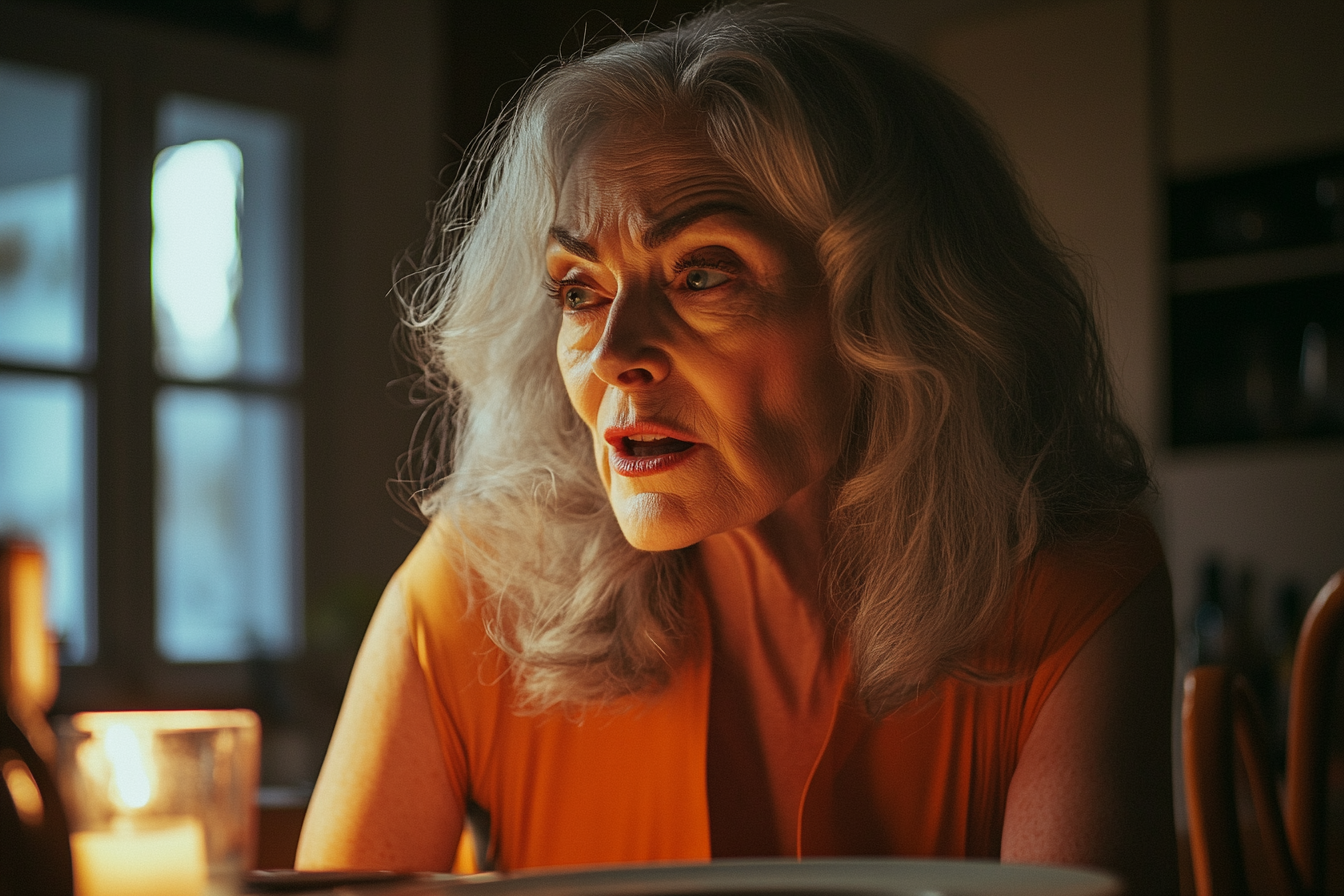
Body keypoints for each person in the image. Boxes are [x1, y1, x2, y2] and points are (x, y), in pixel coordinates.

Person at [295, 4, 1177, 891]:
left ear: (894, 309)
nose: (612, 356)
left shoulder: (1075, 589)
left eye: (703, 273)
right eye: (578, 289)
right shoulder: (476, 585)